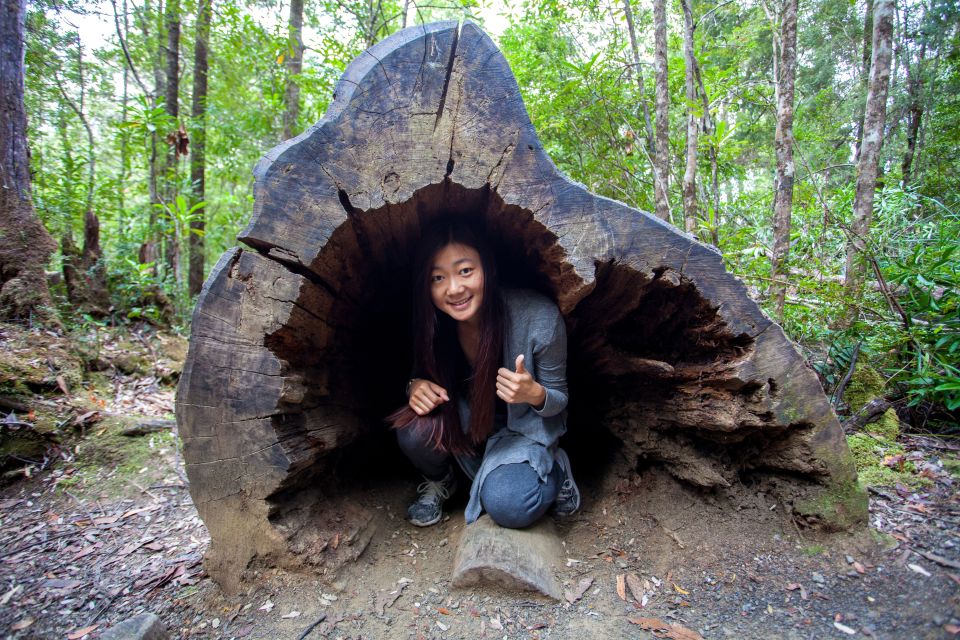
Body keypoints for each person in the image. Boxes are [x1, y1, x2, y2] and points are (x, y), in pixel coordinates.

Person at [389, 219, 580, 528]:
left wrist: (535, 394)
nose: (454, 289)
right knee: (412, 431)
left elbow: (560, 401)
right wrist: (414, 386)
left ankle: (555, 469)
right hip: (468, 425)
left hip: (523, 434)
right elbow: (420, 373)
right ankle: (443, 480)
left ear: (487, 268)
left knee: (508, 505)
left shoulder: (538, 317)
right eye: (438, 277)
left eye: (465, 271)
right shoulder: (436, 323)